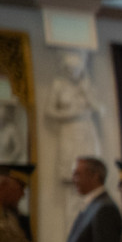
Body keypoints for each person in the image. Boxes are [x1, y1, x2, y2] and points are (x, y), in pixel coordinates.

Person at [45, 50, 102, 189]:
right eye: (69, 69)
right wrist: (70, 114)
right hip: (68, 130)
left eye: (75, 69)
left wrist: (86, 93)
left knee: (89, 170)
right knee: (69, 171)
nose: (72, 72)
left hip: (86, 130)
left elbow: (99, 109)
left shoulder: (87, 84)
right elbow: (49, 111)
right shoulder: (59, 84)